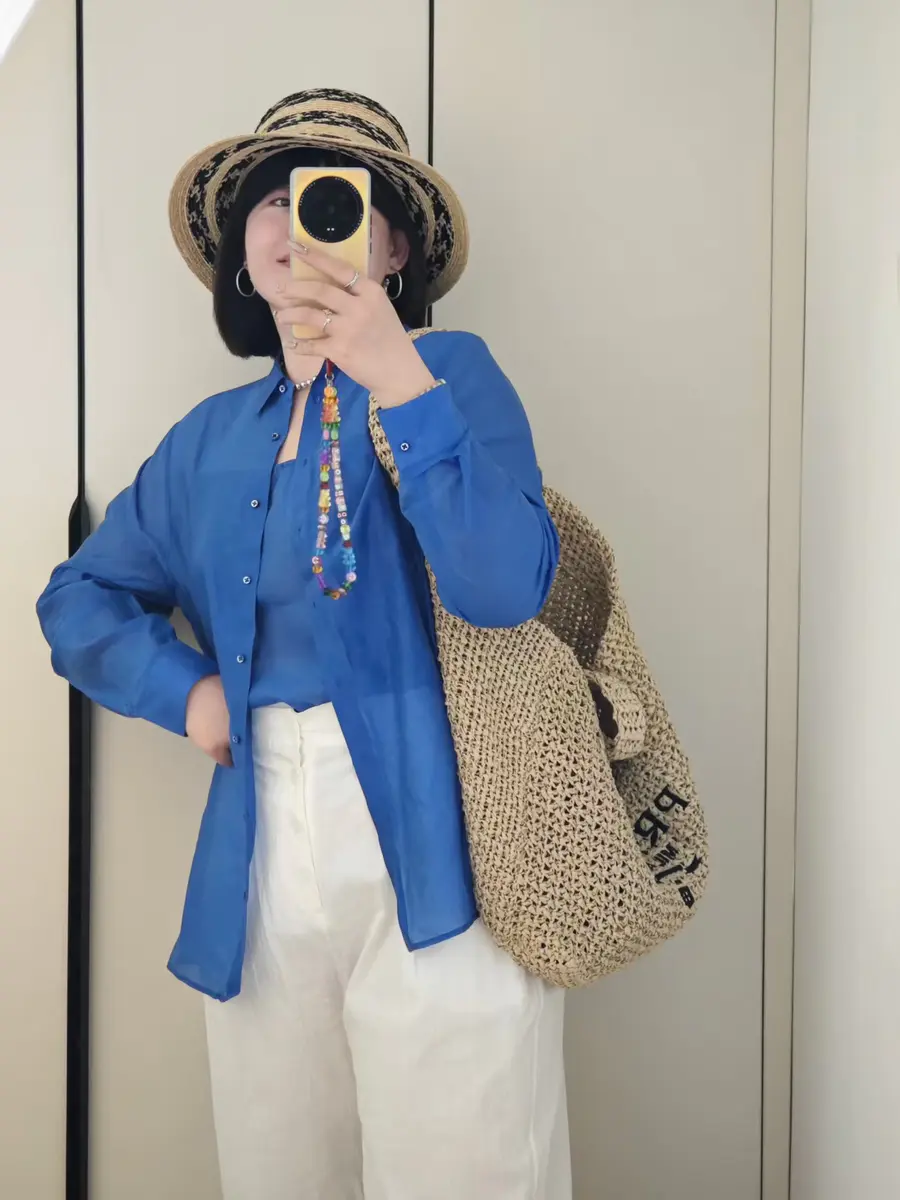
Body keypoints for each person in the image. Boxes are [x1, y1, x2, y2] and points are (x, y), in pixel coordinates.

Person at [37, 89, 571, 1199]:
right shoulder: (204, 444)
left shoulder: (453, 375)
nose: (297, 221)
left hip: (443, 831)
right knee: (280, 1166)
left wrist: (398, 377)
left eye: (333, 198)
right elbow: (79, 596)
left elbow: (503, 589)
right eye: (271, 200)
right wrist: (187, 692)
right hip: (258, 848)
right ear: (242, 250)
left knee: (465, 1166)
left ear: (393, 246)